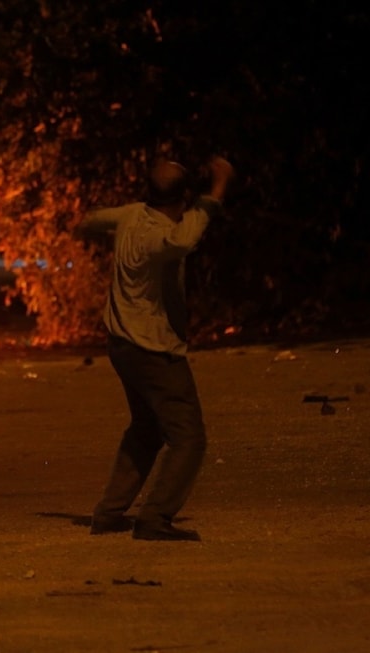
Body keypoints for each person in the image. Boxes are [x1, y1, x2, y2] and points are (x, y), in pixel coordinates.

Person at [77, 155, 234, 541]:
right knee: (188, 437)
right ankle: (155, 518)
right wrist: (216, 190)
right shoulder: (162, 236)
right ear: (182, 200)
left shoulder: (131, 215)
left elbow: (91, 220)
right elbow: (187, 238)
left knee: (146, 430)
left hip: (123, 345)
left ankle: (110, 513)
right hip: (152, 348)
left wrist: (84, 225)